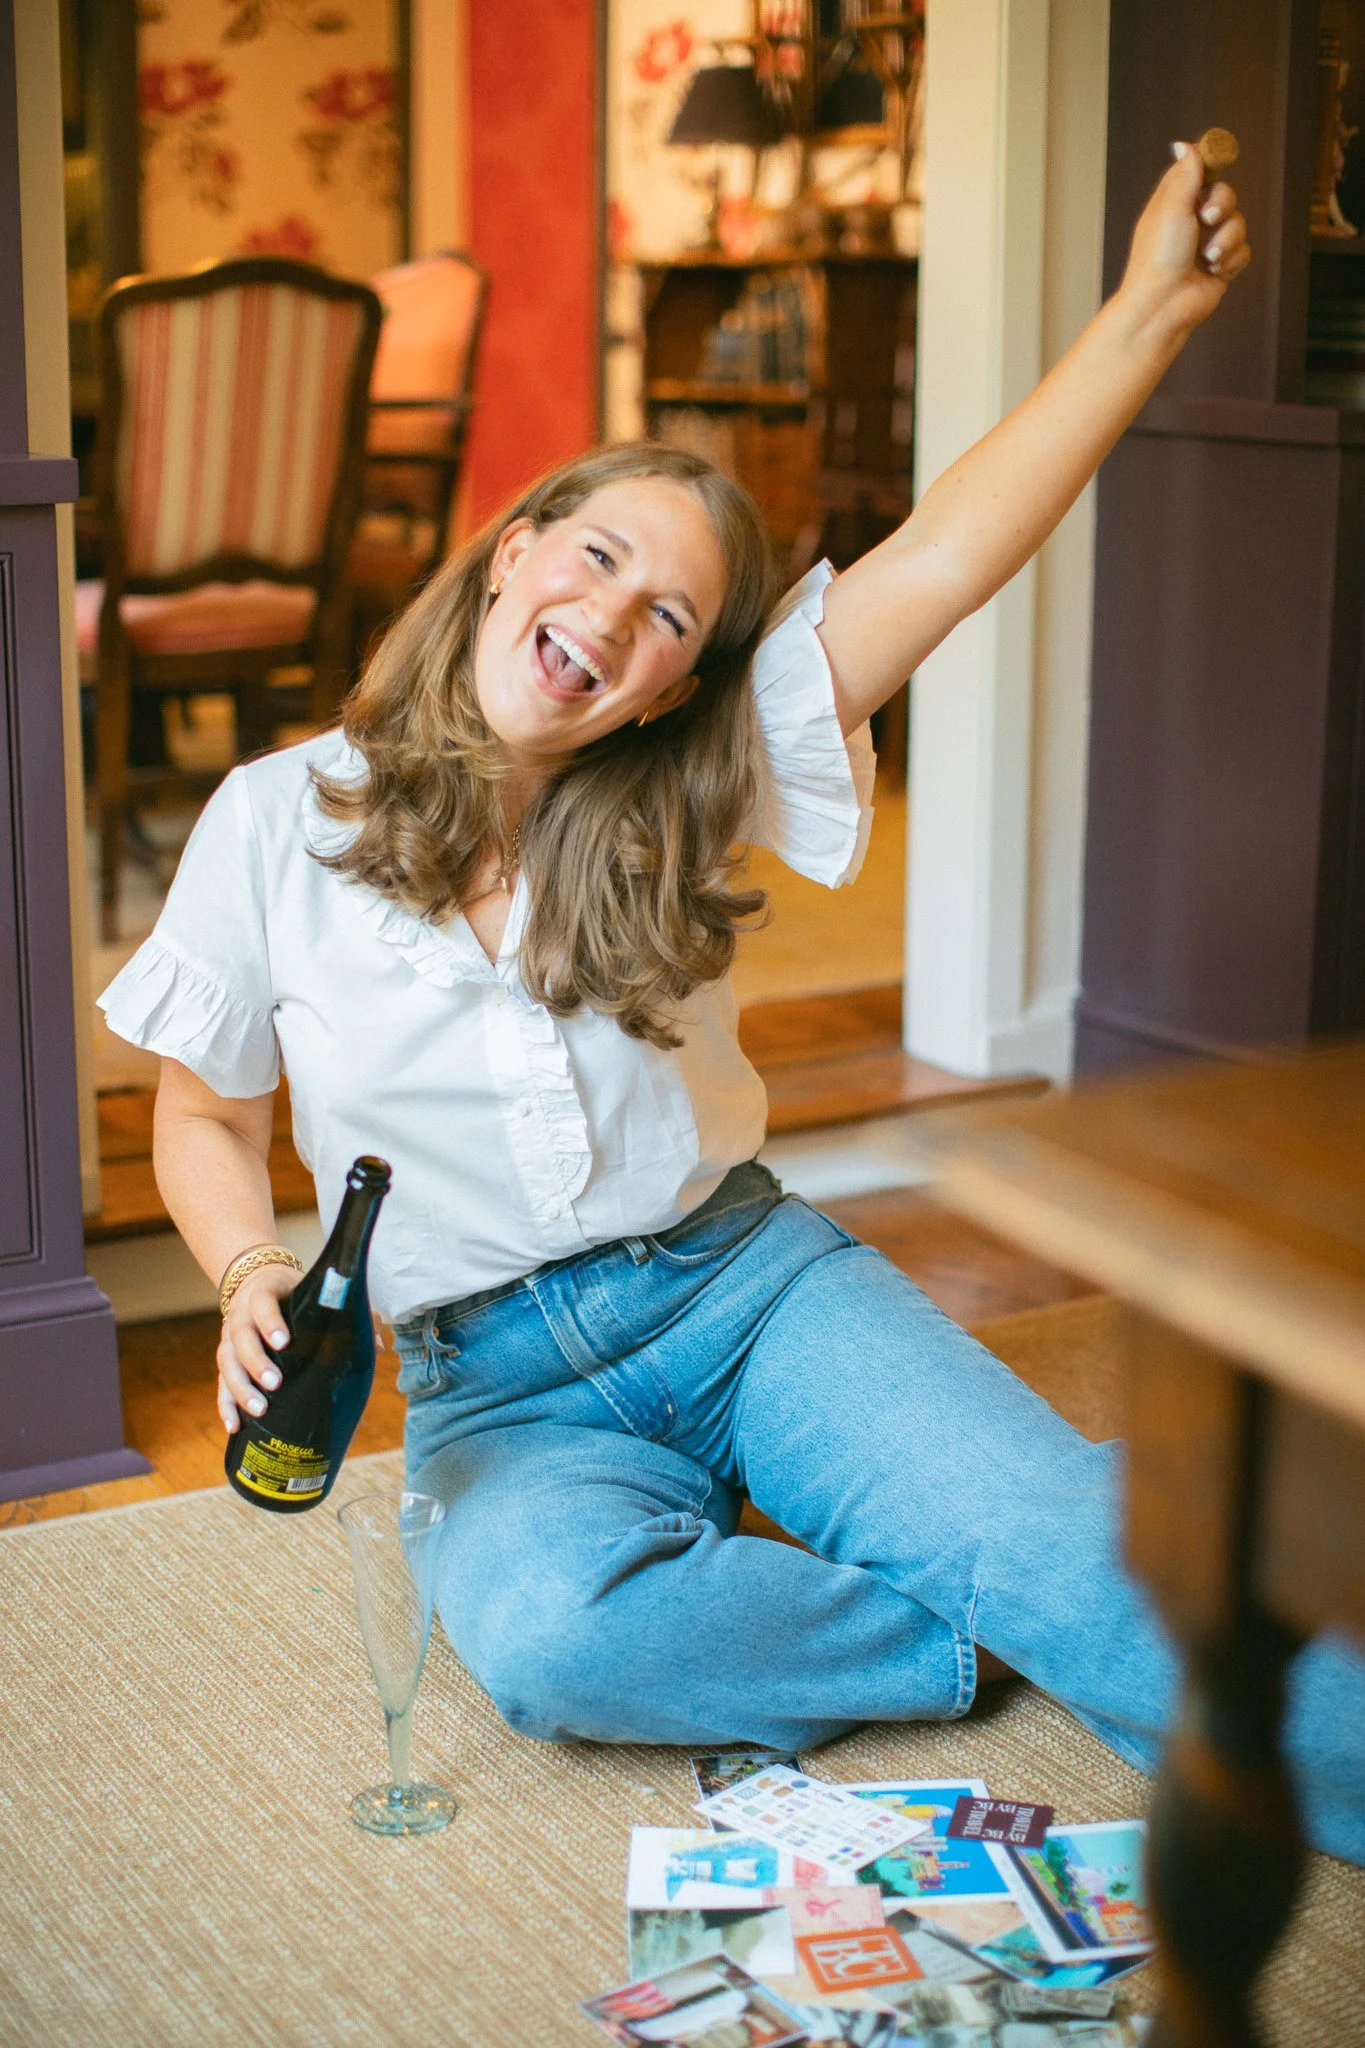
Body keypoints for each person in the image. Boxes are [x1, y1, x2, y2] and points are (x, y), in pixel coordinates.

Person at [100, 148, 1364, 1865]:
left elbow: (946, 553)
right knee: (555, 1647)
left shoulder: (697, 775)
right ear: (512, 553)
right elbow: (203, 1115)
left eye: (666, 612)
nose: (606, 615)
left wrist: (1152, 313)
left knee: (1055, 1543)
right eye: (597, 555)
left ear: (674, 684)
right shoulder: (271, 817)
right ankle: (979, 1599)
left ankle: (1043, 1557)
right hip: (492, 1388)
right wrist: (249, 1265)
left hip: (749, 1291)